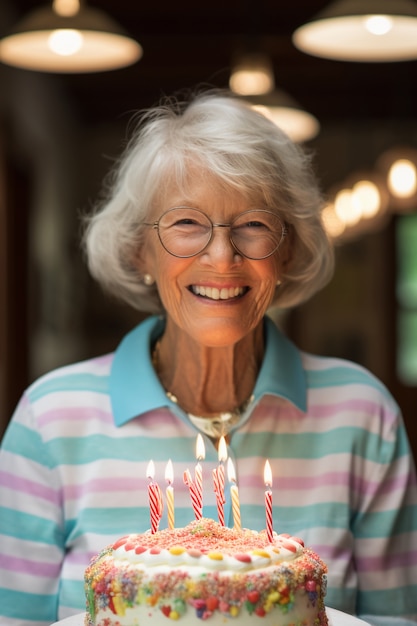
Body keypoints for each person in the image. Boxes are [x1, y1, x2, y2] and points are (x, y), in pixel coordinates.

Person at [1, 90, 416, 626]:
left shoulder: (363, 415)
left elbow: (399, 620)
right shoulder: (51, 419)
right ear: (138, 249)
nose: (222, 257)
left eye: (254, 224)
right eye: (186, 224)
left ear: (287, 252)